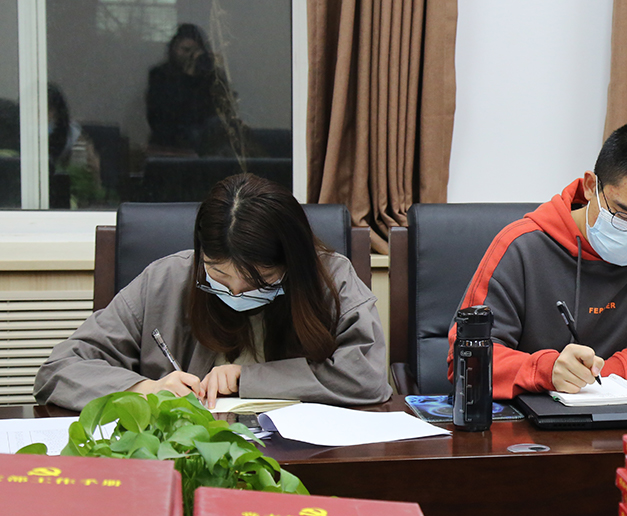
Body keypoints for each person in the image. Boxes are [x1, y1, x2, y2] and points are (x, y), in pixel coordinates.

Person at [34, 173, 392, 410]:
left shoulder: (330, 278)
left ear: (291, 262)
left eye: (257, 281)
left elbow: (367, 378)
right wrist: (144, 389)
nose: (235, 292)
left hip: (303, 459)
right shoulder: (166, 279)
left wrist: (246, 379)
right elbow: (60, 370)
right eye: (218, 274)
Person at [450, 116, 627, 399]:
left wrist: (612, 371)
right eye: (624, 217)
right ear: (590, 185)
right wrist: (545, 370)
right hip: (542, 419)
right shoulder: (521, 247)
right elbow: (465, 360)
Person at [145, 23, 239, 156]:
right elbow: (163, 116)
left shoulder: (210, 77)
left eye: (196, 52)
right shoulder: (160, 75)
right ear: (174, 49)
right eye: (186, 50)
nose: (191, 56)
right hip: (170, 139)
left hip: (206, 139)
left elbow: (218, 112)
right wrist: (187, 78)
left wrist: (206, 74)